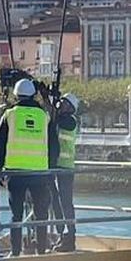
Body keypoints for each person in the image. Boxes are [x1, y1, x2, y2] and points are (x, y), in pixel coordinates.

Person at [0, 77, 58, 255]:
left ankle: (15, 252)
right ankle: (41, 251)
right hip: (40, 173)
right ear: (34, 94)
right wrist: (50, 170)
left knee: (16, 215)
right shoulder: (44, 116)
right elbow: (54, 146)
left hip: (15, 173)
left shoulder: (10, 115)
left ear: (16, 95)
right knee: (41, 214)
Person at [51, 92, 81, 251]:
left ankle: (70, 236)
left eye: (63, 103)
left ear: (70, 107)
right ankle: (61, 234)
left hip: (65, 168)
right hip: (57, 166)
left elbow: (58, 121)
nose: (60, 105)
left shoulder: (70, 121)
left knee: (65, 202)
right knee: (56, 202)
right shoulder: (61, 119)